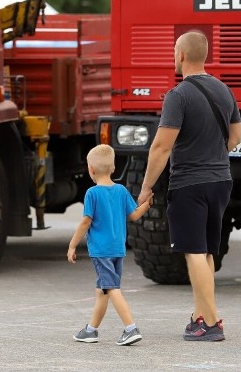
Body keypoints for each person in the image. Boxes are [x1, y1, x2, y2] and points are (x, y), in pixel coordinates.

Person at [136, 30, 241, 342]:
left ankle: (211, 323)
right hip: (221, 180)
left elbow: (161, 147)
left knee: (194, 252)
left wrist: (146, 186)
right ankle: (200, 316)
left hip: (189, 184)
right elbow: (235, 138)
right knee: (207, 251)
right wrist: (212, 154)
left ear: (181, 55)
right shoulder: (224, 90)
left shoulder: (178, 95)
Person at [67, 144, 152, 346]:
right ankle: (91, 330)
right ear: (113, 168)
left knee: (112, 288)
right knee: (103, 290)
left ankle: (131, 328)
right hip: (117, 250)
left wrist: (72, 245)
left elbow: (86, 221)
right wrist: (146, 205)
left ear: (91, 170)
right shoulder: (121, 191)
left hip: (101, 251)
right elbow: (134, 215)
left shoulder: (92, 194)